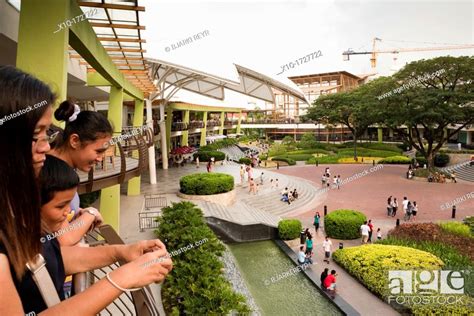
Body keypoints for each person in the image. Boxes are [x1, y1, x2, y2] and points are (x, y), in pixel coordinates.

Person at [0, 65, 172, 315]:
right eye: (36, 135)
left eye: (46, 133)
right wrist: (121, 279)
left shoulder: (12, 207)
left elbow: (48, 262)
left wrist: (121, 252)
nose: (46, 148)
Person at [48, 100, 114, 246]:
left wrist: (78, 212)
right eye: (98, 151)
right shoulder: (53, 175)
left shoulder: (64, 170)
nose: (100, 158)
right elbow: (65, 239)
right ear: (75, 141)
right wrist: (91, 214)